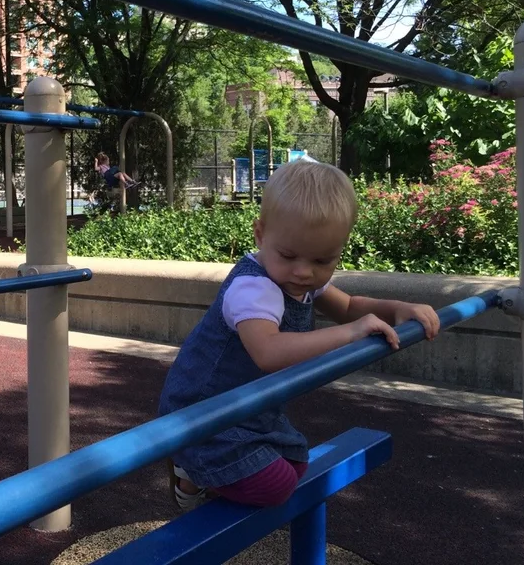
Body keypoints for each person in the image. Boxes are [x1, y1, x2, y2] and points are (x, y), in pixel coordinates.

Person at [159, 160, 440, 511]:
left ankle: (212, 477)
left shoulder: (297, 277)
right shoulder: (253, 289)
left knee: (297, 464)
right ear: (260, 235)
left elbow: (350, 304)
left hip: (252, 407)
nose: (305, 272)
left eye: (323, 260)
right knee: (276, 486)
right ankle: (190, 471)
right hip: (204, 414)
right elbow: (268, 351)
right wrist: (351, 333)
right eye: (289, 255)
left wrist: (397, 308)